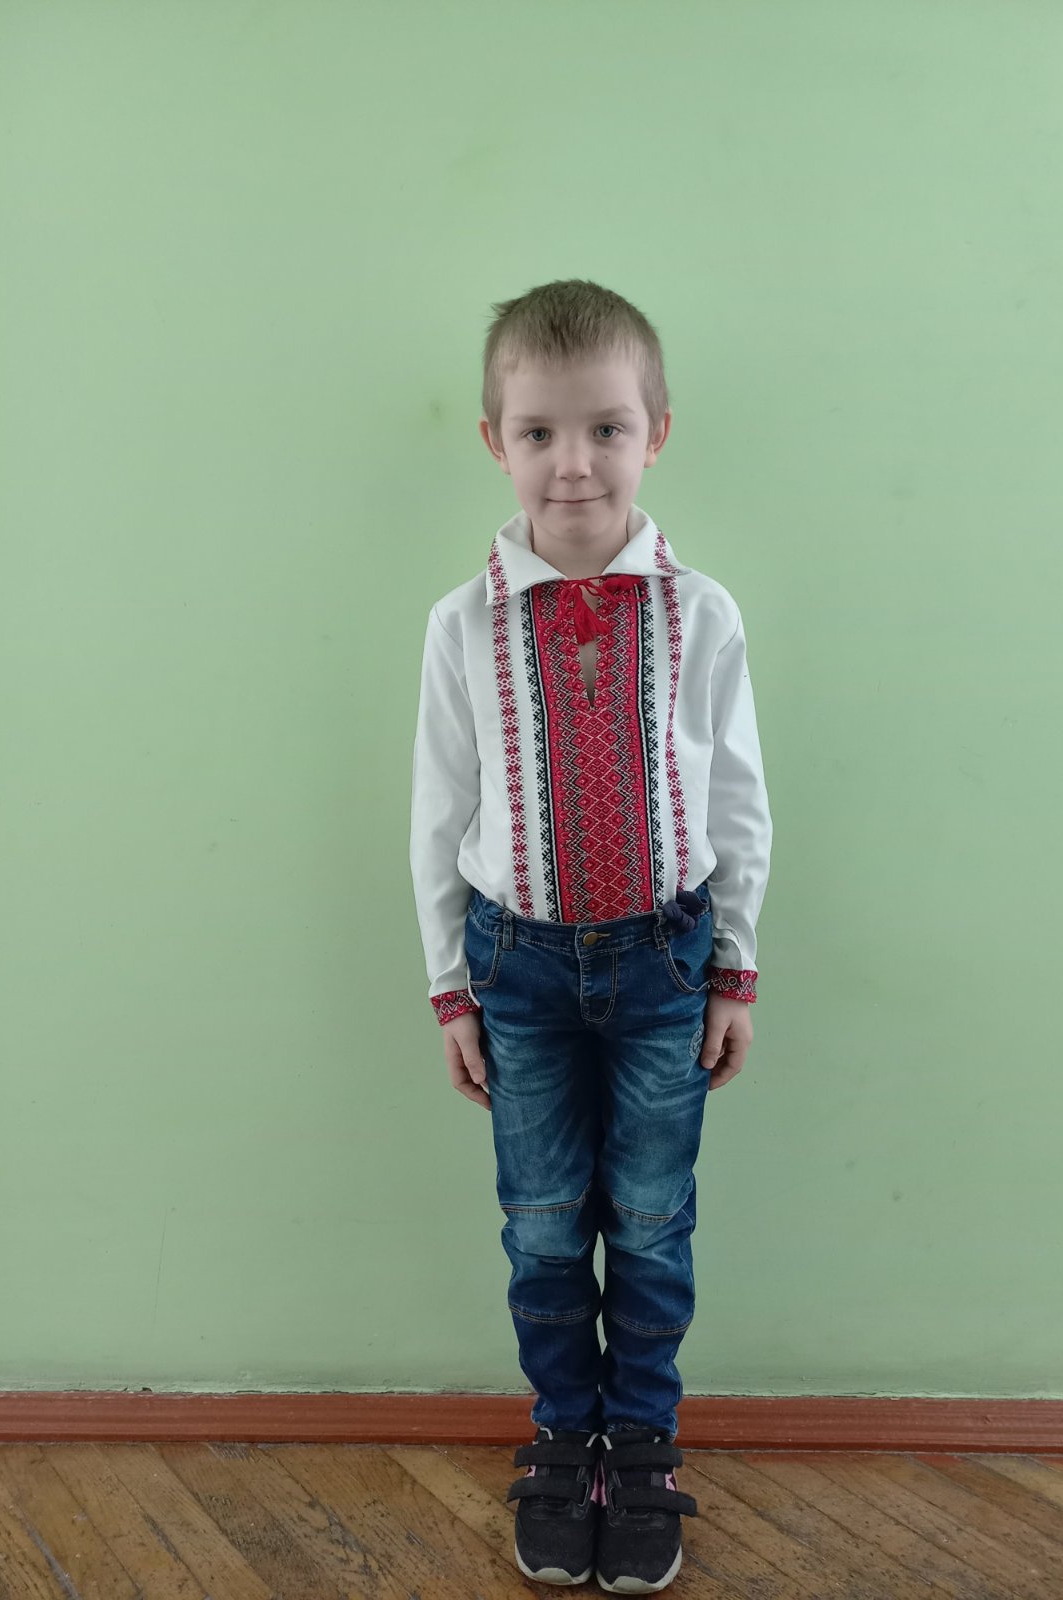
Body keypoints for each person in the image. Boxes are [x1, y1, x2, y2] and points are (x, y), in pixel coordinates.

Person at [409, 278, 772, 1593]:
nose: (575, 463)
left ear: (655, 433)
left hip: (667, 965)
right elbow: (438, 811)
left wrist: (733, 966)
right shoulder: (463, 624)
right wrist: (452, 989)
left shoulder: (701, 613)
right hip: (520, 972)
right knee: (548, 1224)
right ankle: (566, 1440)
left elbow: (737, 798)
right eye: (541, 432)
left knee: (656, 1221)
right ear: (496, 441)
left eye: (607, 428)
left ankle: (644, 1445)